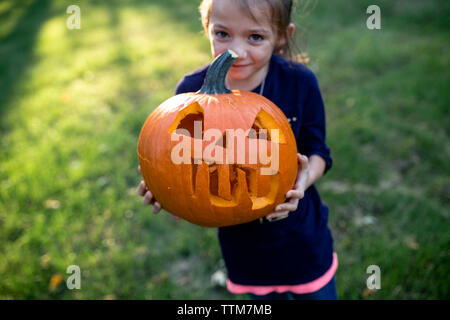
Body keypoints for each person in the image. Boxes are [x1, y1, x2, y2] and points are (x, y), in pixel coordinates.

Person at [136, 0, 338, 300]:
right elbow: (181, 159)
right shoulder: (189, 95)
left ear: (282, 34)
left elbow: (318, 150)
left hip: (301, 238)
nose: (236, 51)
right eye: (222, 34)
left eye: (255, 37)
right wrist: (165, 187)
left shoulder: (299, 83)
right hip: (244, 249)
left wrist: (303, 178)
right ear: (207, 28)